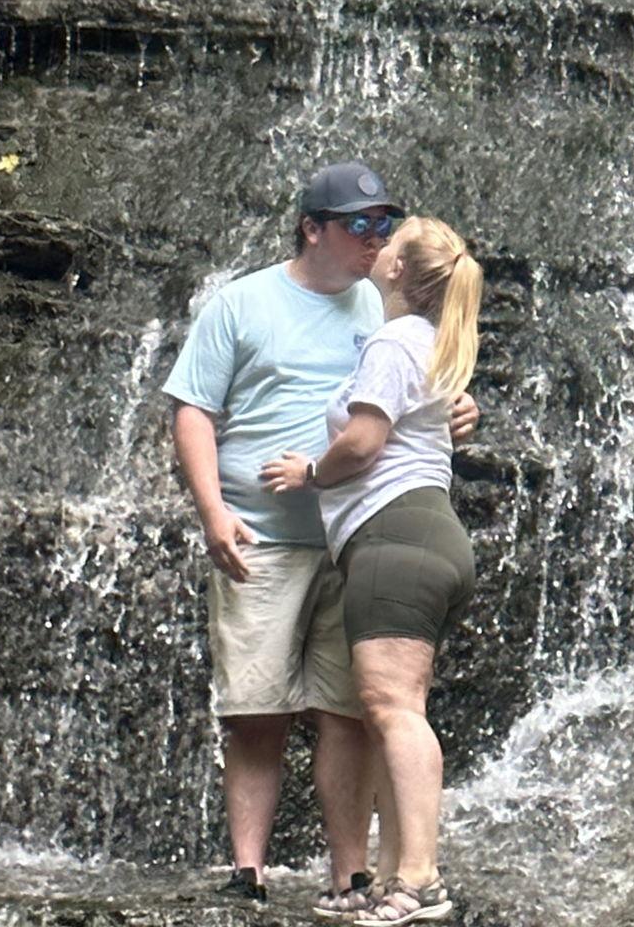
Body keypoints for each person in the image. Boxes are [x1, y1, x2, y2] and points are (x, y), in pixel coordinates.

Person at [161, 164, 479, 910]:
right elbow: (192, 409)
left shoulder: (386, 308)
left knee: (351, 712)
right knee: (256, 706)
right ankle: (249, 871)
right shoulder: (242, 303)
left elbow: (426, 384)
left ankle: (352, 875)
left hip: (356, 543)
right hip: (261, 535)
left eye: (383, 226)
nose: (373, 239)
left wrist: (460, 411)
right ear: (313, 227)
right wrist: (212, 512)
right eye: (358, 224)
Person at [259, 217, 484, 927]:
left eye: (391, 238)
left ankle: (419, 879)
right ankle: (393, 877)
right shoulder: (432, 341)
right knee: (390, 711)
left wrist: (310, 472)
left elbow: (362, 441)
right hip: (422, 537)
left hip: (396, 535)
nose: (378, 241)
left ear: (395, 271)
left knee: (392, 708)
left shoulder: (394, 339)